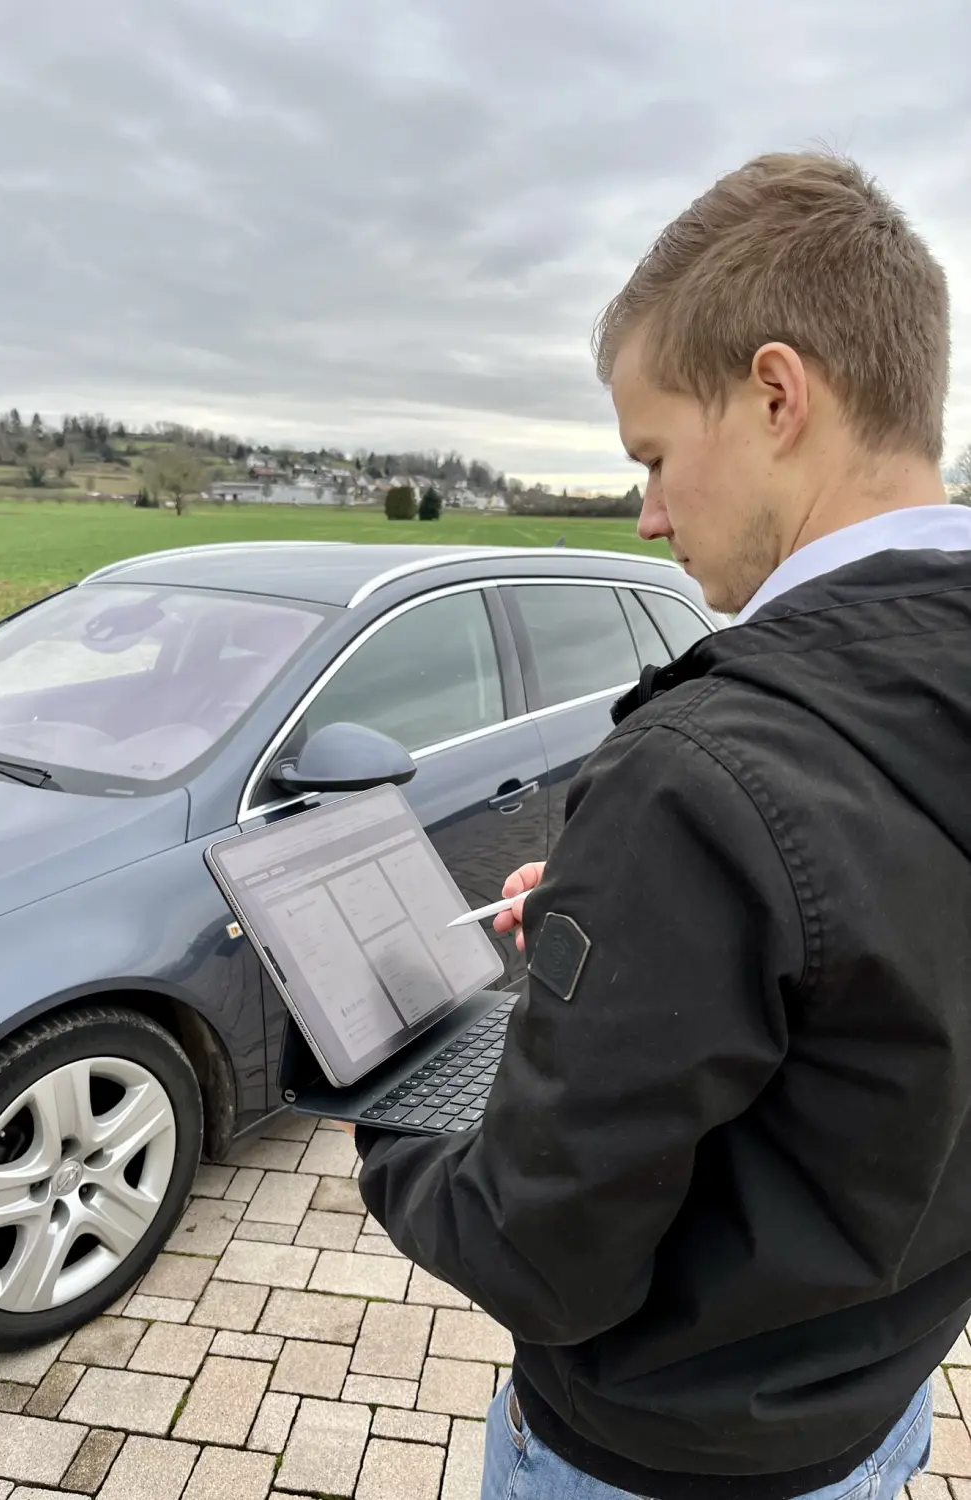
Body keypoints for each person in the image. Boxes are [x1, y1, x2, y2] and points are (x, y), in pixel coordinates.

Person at [348, 151, 971, 1499]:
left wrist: (382, 1110)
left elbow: (538, 1257)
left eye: (653, 457)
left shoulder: (698, 777)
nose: (647, 518)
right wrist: (621, 918)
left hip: (658, 1460)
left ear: (775, 394)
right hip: (877, 1416)